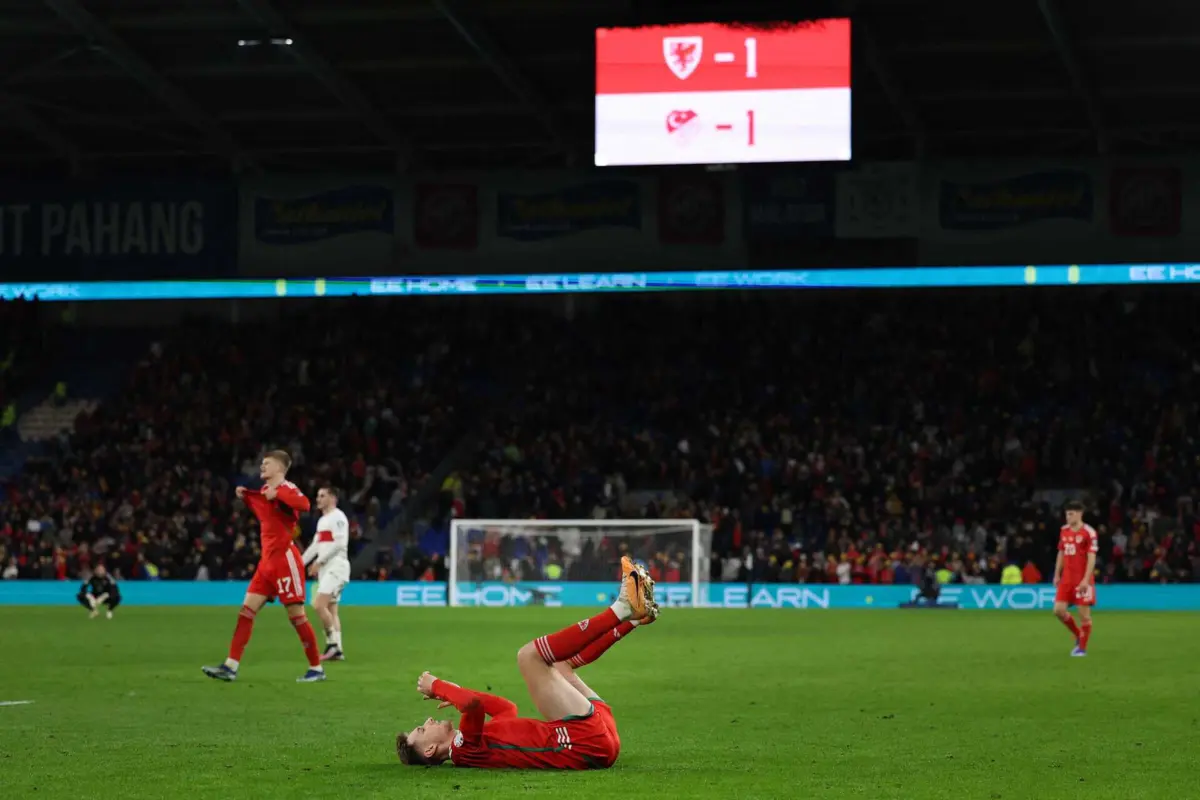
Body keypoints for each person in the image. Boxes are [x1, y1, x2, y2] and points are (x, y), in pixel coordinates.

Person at [397, 556, 655, 769]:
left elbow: (505, 708)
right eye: (421, 729)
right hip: (580, 742)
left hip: (598, 742)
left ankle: (633, 619)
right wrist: (438, 686)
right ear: (430, 750)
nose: (428, 720)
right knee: (529, 656)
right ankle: (622, 608)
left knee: (562, 667)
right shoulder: (463, 751)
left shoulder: (478, 738)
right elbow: (473, 706)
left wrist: (457, 694)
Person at [202, 450, 326, 682]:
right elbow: (263, 509)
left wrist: (277, 494)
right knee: (245, 611)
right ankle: (230, 666)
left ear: (279, 468)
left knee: (296, 615)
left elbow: (304, 504)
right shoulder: (263, 491)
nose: (261, 466)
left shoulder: (287, 488)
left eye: (266, 463)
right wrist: (246, 496)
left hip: (285, 560)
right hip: (266, 563)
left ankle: (316, 668)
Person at [302, 486, 351, 662]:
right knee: (331, 609)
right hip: (327, 568)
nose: (318, 499)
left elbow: (340, 543)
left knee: (318, 604)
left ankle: (332, 645)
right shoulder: (323, 520)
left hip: (336, 566)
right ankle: (338, 650)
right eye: (317, 496)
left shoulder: (338, 517)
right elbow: (315, 545)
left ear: (332, 498)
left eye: (322, 496)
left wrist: (319, 561)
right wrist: (300, 563)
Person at [1053, 500, 1097, 657]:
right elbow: (1061, 552)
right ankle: (1078, 634)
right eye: (1066, 514)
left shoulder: (1089, 533)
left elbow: (1091, 557)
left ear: (1080, 514)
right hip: (1066, 578)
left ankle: (1082, 649)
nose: (1068, 517)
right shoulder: (1064, 531)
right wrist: (1057, 574)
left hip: (1082, 579)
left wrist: (1086, 580)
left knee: (1084, 615)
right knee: (1058, 611)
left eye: (1071, 514)